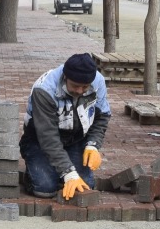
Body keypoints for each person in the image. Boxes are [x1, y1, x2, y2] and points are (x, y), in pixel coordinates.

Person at [20, 52, 111, 199]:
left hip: (75, 139)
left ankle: (63, 165)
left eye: (85, 87)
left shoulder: (97, 81)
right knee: (44, 188)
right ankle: (34, 172)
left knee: (86, 185)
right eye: (75, 86)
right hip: (39, 140)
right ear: (65, 77)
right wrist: (68, 173)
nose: (80, 91)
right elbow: (48, 137)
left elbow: (102, 117)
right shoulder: (44, 90)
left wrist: (92, 145)